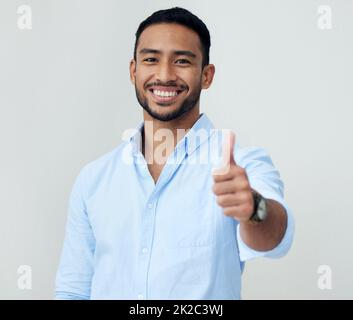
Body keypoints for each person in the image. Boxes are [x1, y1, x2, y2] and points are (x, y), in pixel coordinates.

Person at [55, 7, 294, 300]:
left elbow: (275, 240)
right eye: (151, 59)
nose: (165, 75)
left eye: (182, 61)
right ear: (134, 71)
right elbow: (73, 290)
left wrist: (253, 208)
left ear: (206, 75)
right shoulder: (93, 179)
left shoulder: (241, 166)